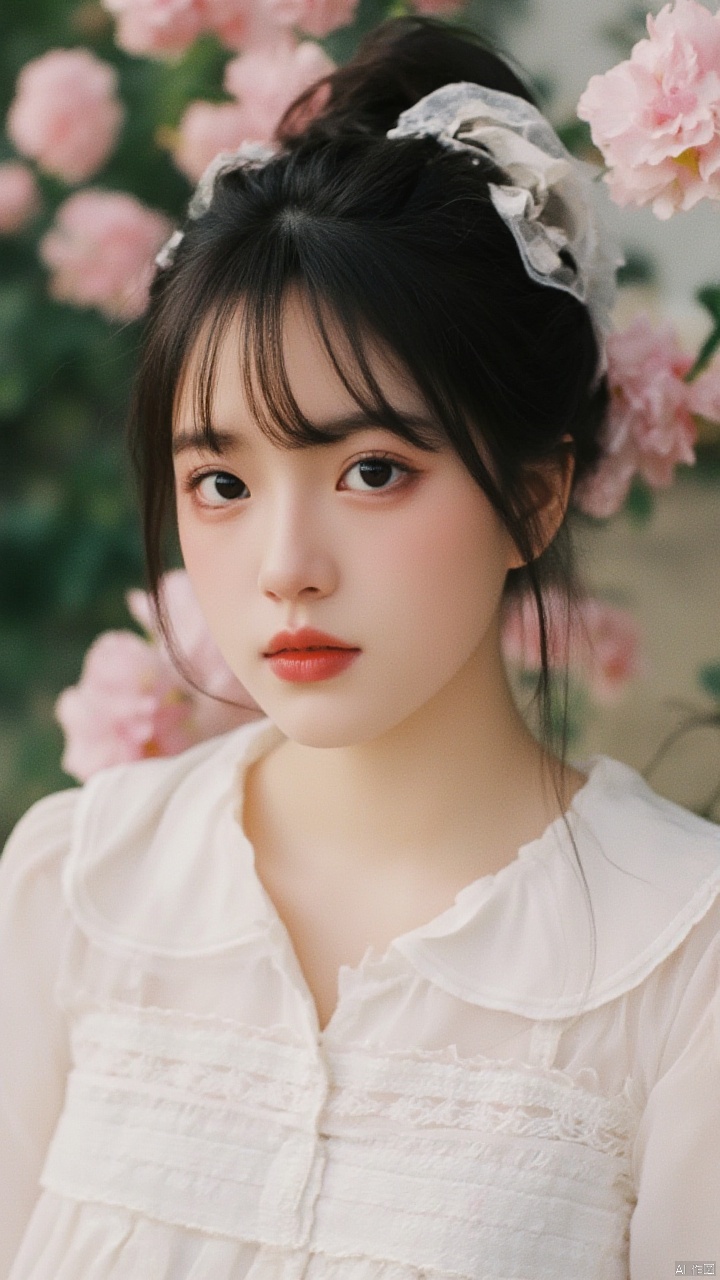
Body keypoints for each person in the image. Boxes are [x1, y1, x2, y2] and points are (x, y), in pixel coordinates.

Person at [1, 16, 719, 1280]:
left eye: (373, 469)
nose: (285, 563)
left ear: (534, 499)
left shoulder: (681, 956)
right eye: (219, 481)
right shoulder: (79, 885)